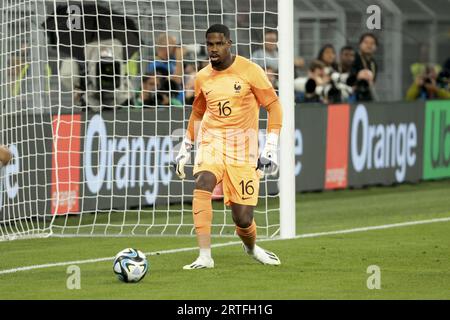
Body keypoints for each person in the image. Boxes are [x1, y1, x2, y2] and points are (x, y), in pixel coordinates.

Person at [174, 24, 283, 269]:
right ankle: (204, 256)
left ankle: (252, 247)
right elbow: (198, 113)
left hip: (244, 149)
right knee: (203, 183)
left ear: (229, 44)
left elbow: (274, 106)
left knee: (242, 218)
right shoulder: (202, 77)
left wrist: (270, 147)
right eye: (209, 44)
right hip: (212, 142)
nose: (213, 49)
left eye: (218, 44)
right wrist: (186, 147)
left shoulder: (250, 70)